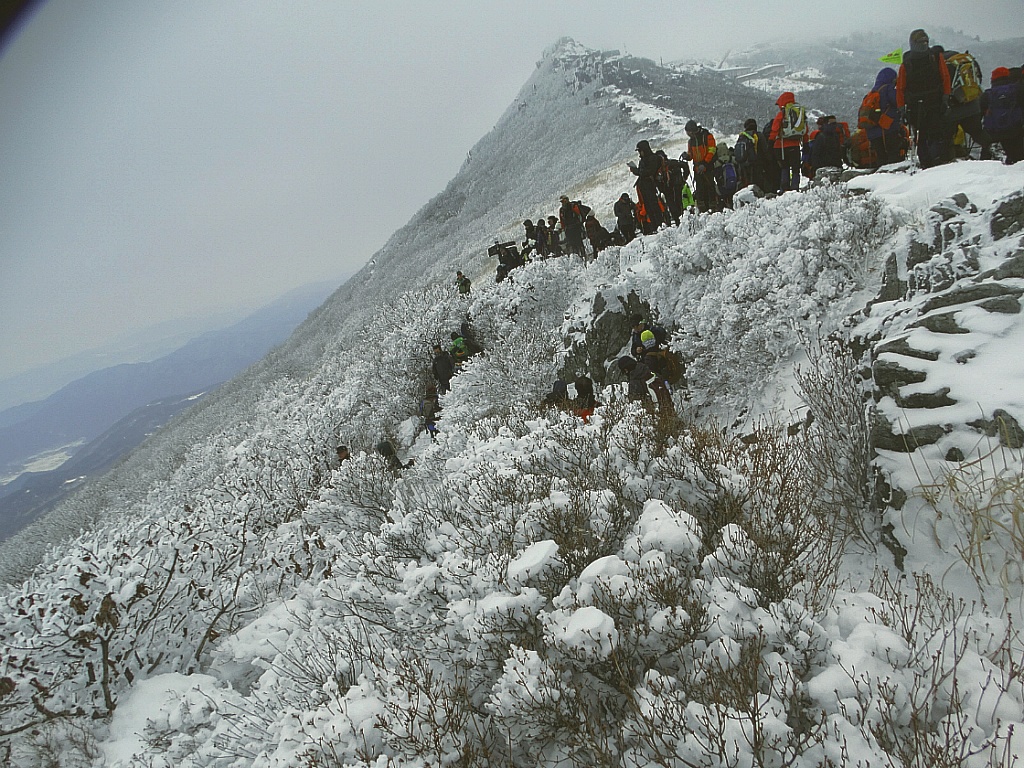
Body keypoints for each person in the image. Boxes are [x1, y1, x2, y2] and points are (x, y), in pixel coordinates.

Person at [897, 29, 951, 169]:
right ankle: (938, 162)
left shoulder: (906, 62)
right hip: (935, 102)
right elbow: (945, 77)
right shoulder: (936, 56)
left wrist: (902, 109)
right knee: (936, 133)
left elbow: (901, 87)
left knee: (920, 137)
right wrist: (945, 97)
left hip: (915, 106)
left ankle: (927, 165)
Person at [942, 49, 993, 160]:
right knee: (977, 132)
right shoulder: (966, 60)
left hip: (952, 108)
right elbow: (978, 78)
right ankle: (989, 150)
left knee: (947, 137)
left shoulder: (942, 64)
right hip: (972, 105)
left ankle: (949, 161)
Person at [860, 67, 906, 167]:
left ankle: (882, 177)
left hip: (872, 132)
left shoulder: (871, 93)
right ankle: (894, 178)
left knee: (881, 157)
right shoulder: (888, 89)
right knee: (893, 155)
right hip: (887, 129)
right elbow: (898, 101)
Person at [983, 66, 1024, 164]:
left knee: (986, 161)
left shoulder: (987, 94)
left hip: (993, 134)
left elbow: (980, 113)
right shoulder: (1018, 89)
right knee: (1018, 159)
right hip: (1016, 131)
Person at [768, 92, 808, 191]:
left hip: (781, 146)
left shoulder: (782, 113)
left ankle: (784, 189)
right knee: (795, 169)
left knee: (784, 168)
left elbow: (775, 128)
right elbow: (805, 130)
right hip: (795, 145)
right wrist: (805, 143)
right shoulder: (799, 113)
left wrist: (770, 141)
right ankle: (795, 188)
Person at [628, 140, 665, 233]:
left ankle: (659, 225)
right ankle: (654, 227)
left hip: (650, 186)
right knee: (648, 208)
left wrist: (636, 171)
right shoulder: (643, 160)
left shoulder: (652, 158)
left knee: (654, 206)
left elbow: (648, 172)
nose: (640, 153)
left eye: (640, 151)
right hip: (644, 188)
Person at [684, 120, 720, 212]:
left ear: (692, 131)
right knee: (700, 190)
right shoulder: (691, 141)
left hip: (708, 168)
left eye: (688, 132)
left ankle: (713, 208)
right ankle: (702, 210)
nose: (688, 134)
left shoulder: (707, 136)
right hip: (697, 169)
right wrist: (687, 156)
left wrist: (704, 164)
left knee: (710, 188)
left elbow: (712, 150)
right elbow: (691, 155)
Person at [734, 118, 765, 190]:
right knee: (756, 183)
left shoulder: (742, 136)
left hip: (743, 164)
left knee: (745, 182)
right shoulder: (759, 135)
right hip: (756, 164)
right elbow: (765, 150)